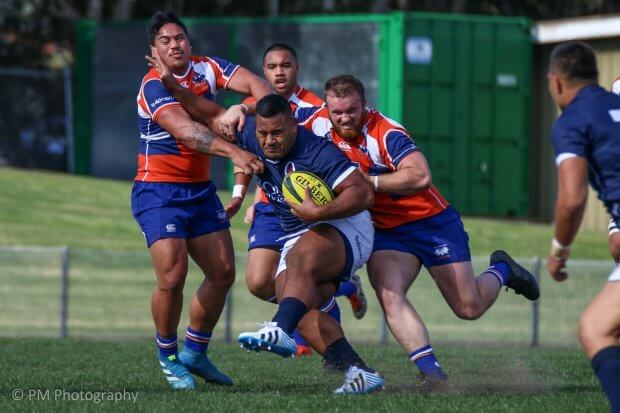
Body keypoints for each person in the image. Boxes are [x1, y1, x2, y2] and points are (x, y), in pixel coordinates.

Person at [296, 74, 540, 384]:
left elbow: (420, 175)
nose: (344, 118)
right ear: (327, 108)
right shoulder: (316, 122)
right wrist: (243, 111)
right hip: (386, 231)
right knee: (388, 292)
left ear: (364, 105)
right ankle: (432, 375)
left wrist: (364, 182)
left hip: (431, 222)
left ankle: (503, 269)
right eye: (337, 112)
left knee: (468, 307)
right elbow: (280, 112)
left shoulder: (386, 132)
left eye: (352, 111)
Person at [133, 10, 269, 390]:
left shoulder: (208, 67)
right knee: (173, 276)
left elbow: (259, 87)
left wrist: (246, 107)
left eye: (180, 38)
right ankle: (168, 356)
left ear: (189, 43)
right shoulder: (151, 85)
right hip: (159, 191)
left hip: (200, 190)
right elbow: (188, 131)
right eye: (165, 41)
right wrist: (237, 153)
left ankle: (195, 351)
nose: (174, 45)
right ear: (154, 50)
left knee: (224, 272)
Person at [234, 94, 384, 394]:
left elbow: (362, 193)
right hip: (297, 236)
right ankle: (358, 372)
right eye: (263, 133)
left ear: (292, 123)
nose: (269, 141)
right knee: (296, 305)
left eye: (276, 133)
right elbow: (203, 116)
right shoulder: (251, 137)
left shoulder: (316, 151)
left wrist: (319, 211)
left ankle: (279, 328)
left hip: (346, 227)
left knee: (300, 264)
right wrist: (229, 113)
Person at [235, 43, 368, 357]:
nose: (279, 72)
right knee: (258, 281)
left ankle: (322, 348)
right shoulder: (253, 106)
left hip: (313, 204)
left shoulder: (316, 108)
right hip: (271, 204)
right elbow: (250, 158)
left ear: (297, 68)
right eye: (271, 67)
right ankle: (340, 292)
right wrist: (244, 195)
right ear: (263, 71)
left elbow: (319, 157)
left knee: (303, 268)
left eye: (286, 65)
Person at [546, 41, 620, 412]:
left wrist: (559, 251)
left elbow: (572, 199)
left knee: (596, 329)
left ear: (555, 82)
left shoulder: (572, 122)